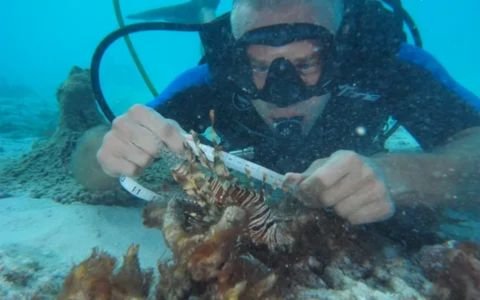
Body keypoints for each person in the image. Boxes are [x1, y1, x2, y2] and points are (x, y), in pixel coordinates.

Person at [73, 0, 480, 227]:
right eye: (261, 65)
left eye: (305, 64)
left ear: (343, 48)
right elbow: (89, 163)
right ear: (235, 58)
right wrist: (108, 151)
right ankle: (203, 12)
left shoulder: (389, 67)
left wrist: (399, 176)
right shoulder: (208, 81)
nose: (283, 93)